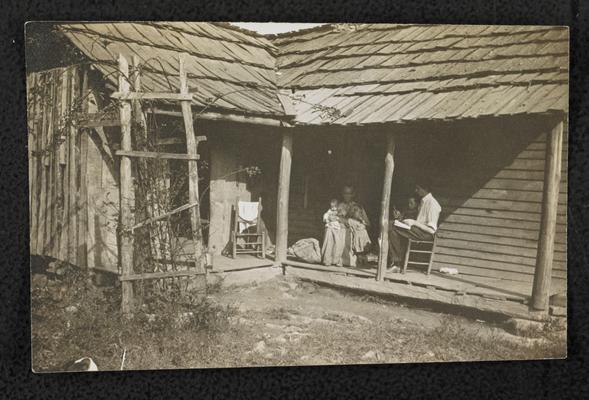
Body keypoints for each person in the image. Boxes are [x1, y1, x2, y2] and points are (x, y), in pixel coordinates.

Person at [388, 182, 441, 271]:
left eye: (418, 188)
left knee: (391, 224)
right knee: (393, 231)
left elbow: (431, 230)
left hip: (426, 234)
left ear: (425, 189)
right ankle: (396, 264)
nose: (416, 191)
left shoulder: (432, 204)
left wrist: (413, 222)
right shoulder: (423, 201)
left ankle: (389, 257)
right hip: (418, 230)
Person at [338, 185, 371, 267]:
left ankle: (360, 256)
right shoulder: (339, 205)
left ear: (353, 195)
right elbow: (337, 217)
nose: (347, 196)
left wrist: (362, 224)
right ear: (342, 194)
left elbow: (367, 223)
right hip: (345, 228)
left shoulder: (357, 206)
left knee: (362, 232)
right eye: (345, 193)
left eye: (349, 193)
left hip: (357, 230)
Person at [321, 199, 344, 266]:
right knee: (329, 242)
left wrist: (337, 218)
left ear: (337, 206)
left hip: (337, 228)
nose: (333, 208)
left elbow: (341, 217)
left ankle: (336, 260)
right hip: (331, 226)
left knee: (337, 244)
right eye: (332, 207)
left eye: (335, 207)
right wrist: (327, 219)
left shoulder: (338, 212)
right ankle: (327, 260)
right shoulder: (329, 211)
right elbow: (326, 216)